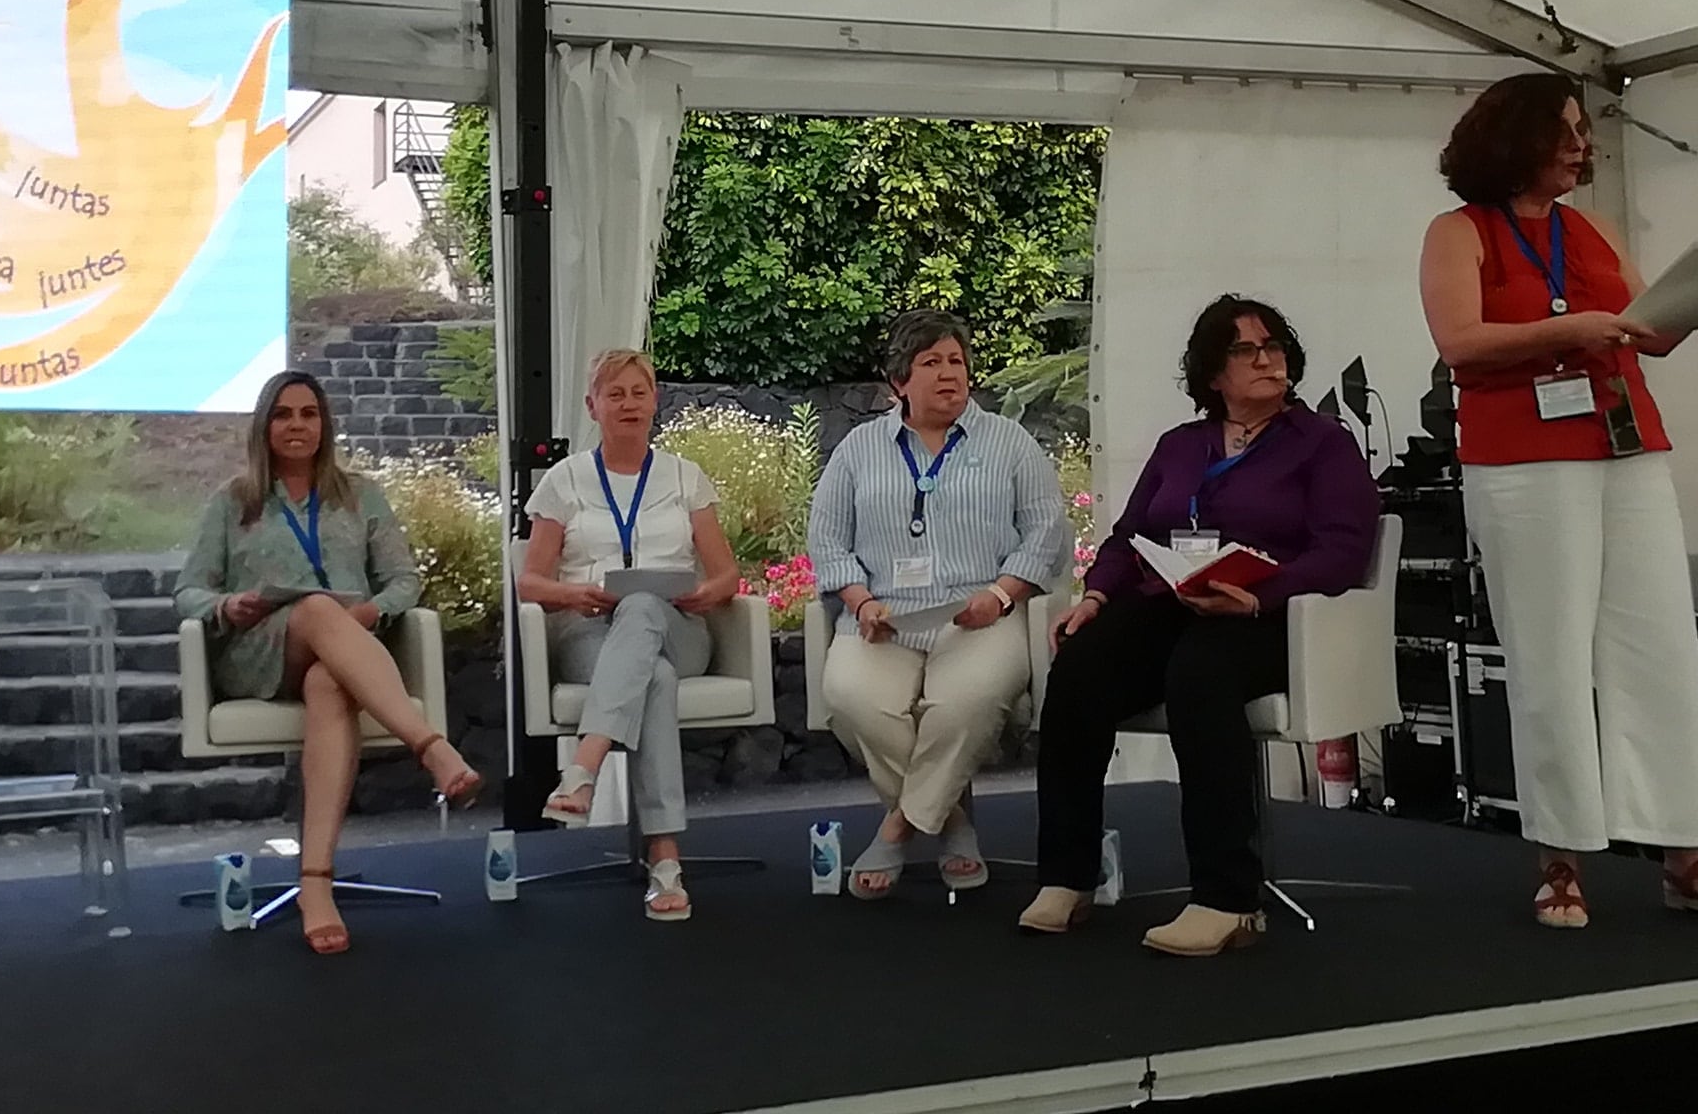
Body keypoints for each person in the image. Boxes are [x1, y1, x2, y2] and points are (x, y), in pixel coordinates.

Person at [1419, 72, 1698, 927]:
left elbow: (1645, 333)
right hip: (1524, 461)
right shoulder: (1457, 232)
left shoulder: (1588, 226)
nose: (1583, 145)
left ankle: (1682, 845)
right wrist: (1567, 331)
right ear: (1515, 142)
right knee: (1549, 656)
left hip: (1625, 446)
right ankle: (1561, 856)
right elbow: (1459, 342)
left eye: (1584, 130)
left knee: (1661, 648)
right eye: (1566, 131)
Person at [1022, 297, 1379, 957]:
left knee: (1200, 674)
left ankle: (1227, 899)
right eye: (1248, 350)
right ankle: (1066, 879)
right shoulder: (1180, 446)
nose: (1268, 359)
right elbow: (1130, 539)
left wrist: (1258, 595)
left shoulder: (1322, 444)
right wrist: (1096, 597)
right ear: (1214, 372)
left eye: (1274, 347)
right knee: (1080, 666)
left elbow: (1341, 552)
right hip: (1174, 601)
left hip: (1270, 613)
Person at [175, 370, 482, 954]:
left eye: (308, 414)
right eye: (284, 414)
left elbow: (404, 580)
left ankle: (316, 882)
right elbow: (187, 591)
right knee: (315, 608)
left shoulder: (360, 494)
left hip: (345, 653)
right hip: (260, 650)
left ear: (325, 424)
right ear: (264, 426)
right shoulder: (232, 501)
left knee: (328, 679)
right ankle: (432, 748)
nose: (297, 425)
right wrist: (226, 604)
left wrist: (371, 612)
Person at [808, 311, 1070, 901]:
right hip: (883, 619)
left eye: (956, 361)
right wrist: (861, 599)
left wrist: (1001, 594)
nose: (949, 374)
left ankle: (897, 828)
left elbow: (1046, 533)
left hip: (981, 615)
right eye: (931, 363)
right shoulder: (858, 449)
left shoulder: (1010, 442)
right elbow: (825, 540)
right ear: (899, 379)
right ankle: (952, 820)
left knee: (965, 704)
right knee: (852, 698)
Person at [516, 349, 743, 922]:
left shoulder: (684, 478)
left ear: (654, 401)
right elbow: (530, 582)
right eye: (614, 394)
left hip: (679, 627)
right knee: (654, 678)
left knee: (644, 609)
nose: (628, 404)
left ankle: (584, 767)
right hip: (589, 631)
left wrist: (705, 593)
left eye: (638, 392)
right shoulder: (564, 481)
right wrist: (576, 594)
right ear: (592, 406)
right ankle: (665, 861)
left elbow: (727, 574)